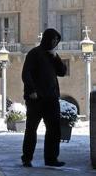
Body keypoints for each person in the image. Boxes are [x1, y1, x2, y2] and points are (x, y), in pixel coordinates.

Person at [21, 28, 67, 167]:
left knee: (54, 129)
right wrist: (31, 91)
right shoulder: (34, 54)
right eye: (53, 39)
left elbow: (62, 72)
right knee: (31, 129)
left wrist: (56, 57)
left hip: (51, 98)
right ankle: (27, 158)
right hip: (36, 99)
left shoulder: (52, 56)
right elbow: (26, 74)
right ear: (46, 39)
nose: (54, 42)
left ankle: (51, 158)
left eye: (56, 40)